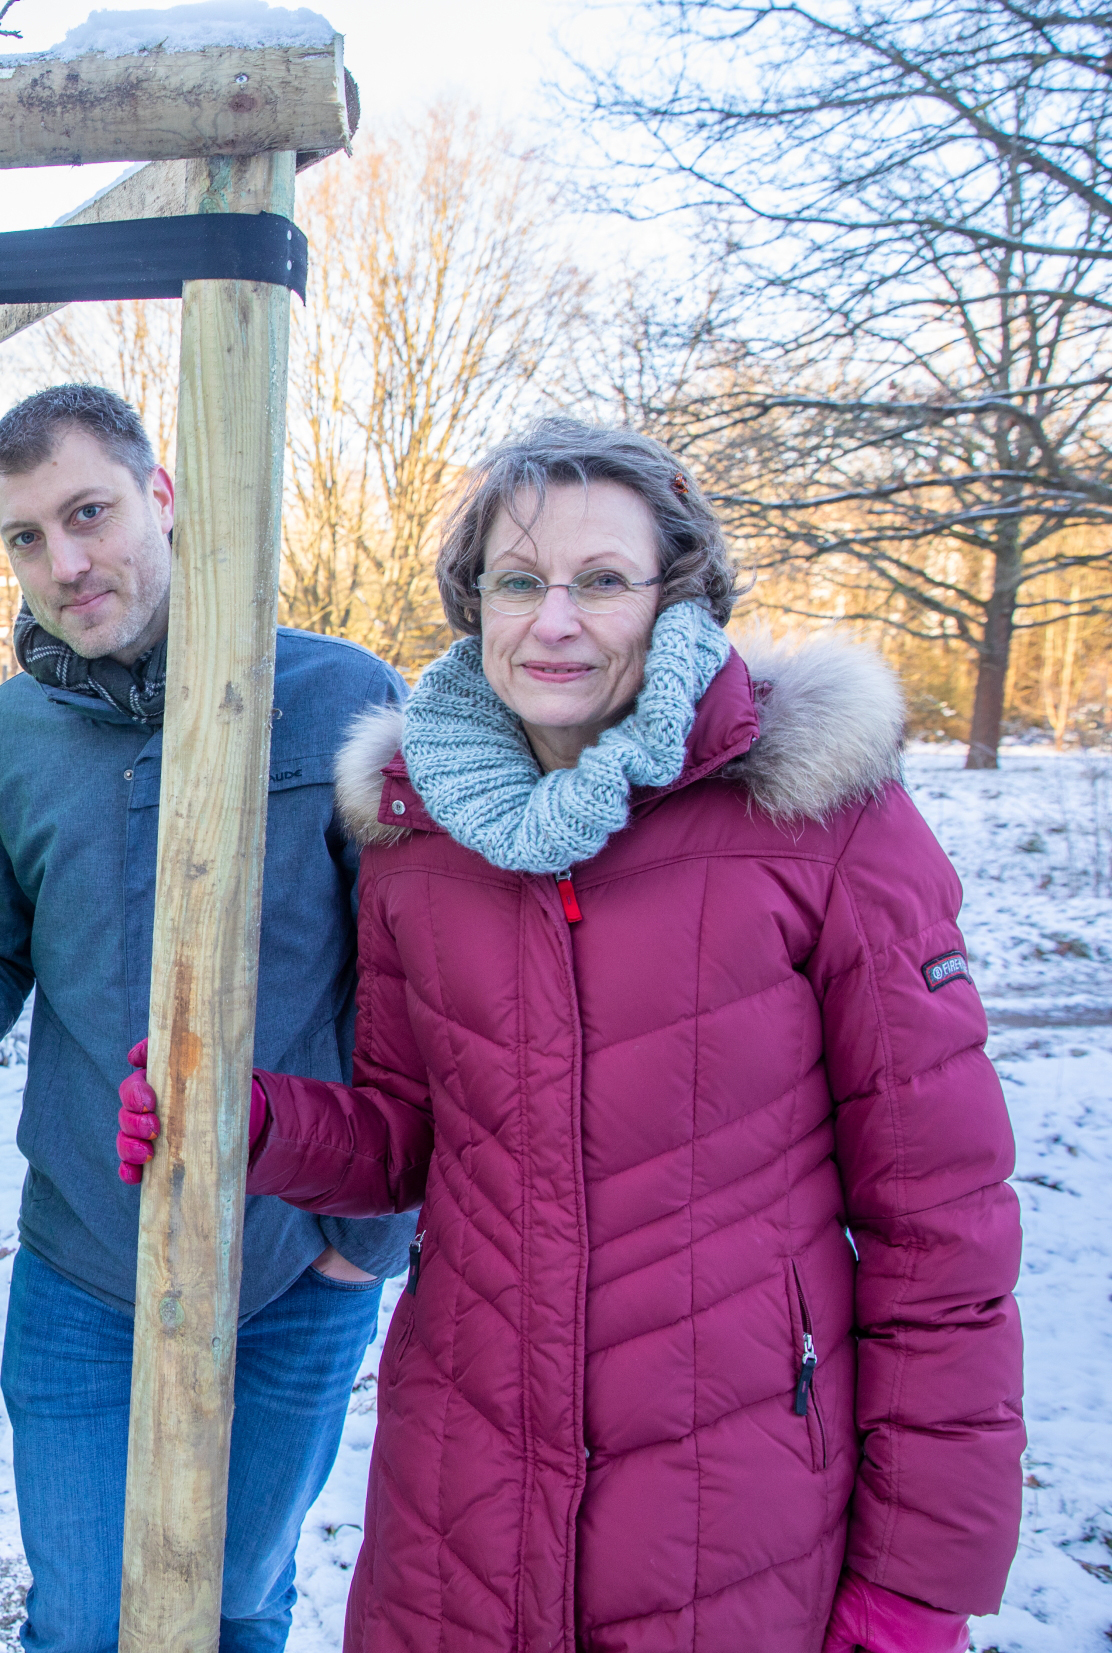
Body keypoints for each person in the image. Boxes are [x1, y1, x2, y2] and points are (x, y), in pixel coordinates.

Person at [114, 420, 1025, 1651]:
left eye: (601, 581)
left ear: (675, 597)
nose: (554, 621)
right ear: (471, 600)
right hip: (462, 1503)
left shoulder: (816, 816)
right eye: (517, 581)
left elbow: (941, 1233)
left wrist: (917, 1583)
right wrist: (244, 1119)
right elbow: (407, 1137)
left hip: (736, 1516)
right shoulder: (412, 834)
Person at [0, 384, 417, 1653]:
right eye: (27, 537)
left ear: (162, 498)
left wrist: (358, 1250)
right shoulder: (8, 736)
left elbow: (417, 992)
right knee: (81, 1624)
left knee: (235, 1609)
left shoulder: (337, 698)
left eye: (87, 512)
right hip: (83, 1268)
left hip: (294, 1265)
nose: (65, 561)